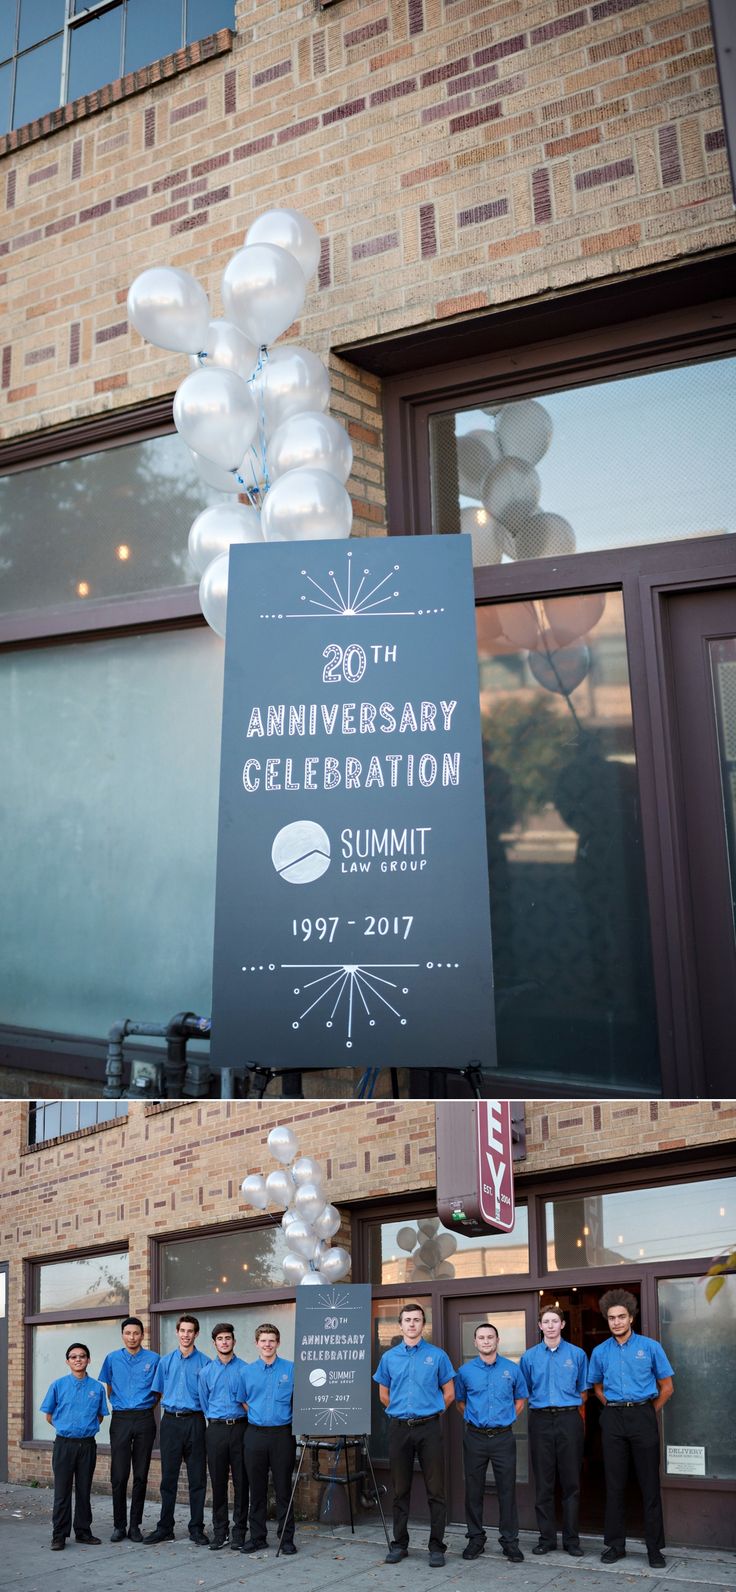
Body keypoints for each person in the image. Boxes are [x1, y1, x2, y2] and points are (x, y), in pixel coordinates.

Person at [588, 1288, 674, 1569]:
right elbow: (597, 1387)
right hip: (613, 1418)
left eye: (621, 1317)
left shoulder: (650, 1347)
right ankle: (615, 1545)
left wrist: (647, 1411)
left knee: (649, 1484)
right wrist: (612, 1407)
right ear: (607, 1319)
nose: (616, 1322)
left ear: (631, 1318)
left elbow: (667, 1387)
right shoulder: (600, 1352)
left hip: (643, 1416)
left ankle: (654, 1548)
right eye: (611, 1318)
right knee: (614, 1484)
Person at [373, 1302, 455, 1568]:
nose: (412, 1324)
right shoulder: (389, 1357)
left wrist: (430, 1414)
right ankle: (399, 1545)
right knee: (400, 1490)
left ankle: (436, 1547)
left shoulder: (438, 1356)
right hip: (399, 1429)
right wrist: (402, 1412)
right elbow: (383, 1394)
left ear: (423, 1324)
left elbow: (449, 1393)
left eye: (417, 1319)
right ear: (400, 1324)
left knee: (435, 1490)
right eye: (407, 1320)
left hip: (429, 1428)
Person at [454, 1322, 528, 1563]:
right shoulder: (464, 1372)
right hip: (474, 1437)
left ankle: (510, 1542)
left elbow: (520, 1400)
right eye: (481, 1338)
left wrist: (504, 1419)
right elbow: (460, 1403)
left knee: (507, 1489)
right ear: (475, 1342)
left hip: (503, 1438)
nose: (486, 1341)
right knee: (473, 1490)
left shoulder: (512, 1369)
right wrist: (476, 1420)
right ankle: (475, 1539)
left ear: (497, 1341)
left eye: (490, 1337)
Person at [519, 1306, 588, 1557]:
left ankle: (572, 1540)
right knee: (544, 1482)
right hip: (540, 1420)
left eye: (554, 1321)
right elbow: (523, 1390)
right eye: (545, 1321)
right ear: (539, 1326)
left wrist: (570, 1414)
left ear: (562, 1325)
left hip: (569, 1418)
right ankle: (546, 1539)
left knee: (571, 1482)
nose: (550, 1325)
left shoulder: (577, 1354)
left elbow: (583, 1390)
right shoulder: (528, 1357)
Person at [143, 1313, 210, 1545]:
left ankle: (196, 1528)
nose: (186, 1335)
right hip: (170, 1422)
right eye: (182, 1331)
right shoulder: (165, 1362)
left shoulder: (206, 1363)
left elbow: (209, 1396)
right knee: (168, 1479)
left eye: (190, 1331)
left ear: (196, 1334)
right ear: (177, 1332)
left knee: (197, 1479)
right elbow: (159, 1393)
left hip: (195, 1422)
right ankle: (165, 1528)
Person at [98, 1314, 160, 1543]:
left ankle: (135, 1525)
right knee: (119, 1475)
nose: (132, 1337)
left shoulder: (154, 1359)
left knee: (141, 1474)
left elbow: (158, 1392)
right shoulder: (112, 1358)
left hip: (144, 1418)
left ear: (142, 1335)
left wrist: (144, 1408)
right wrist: (123, 1406)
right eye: (127, 1333)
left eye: (136, 1333)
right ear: (122, 1335)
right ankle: (119, 1525)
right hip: (121, 1419)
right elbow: (109, 1387)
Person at [40, 1342, 108, 1551]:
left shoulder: (97, 1388)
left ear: (88, 1360)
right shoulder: (58, 1385)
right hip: (64, 1445)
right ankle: (59, 1535)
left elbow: (100, 1416)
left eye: (82, 1356)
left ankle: (83, 1532)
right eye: (73, 1357)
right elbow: (49, 1416)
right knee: (62, 1492)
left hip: (87, 1445)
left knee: (84, 1490)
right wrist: (67, 1427)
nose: (78, 1359)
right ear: (68, 1361)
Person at [240, 1322, 296, 1556]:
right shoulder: (246, 1371)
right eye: (263, 1340)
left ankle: (286, 1539)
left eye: (271, 1340)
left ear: (278, 1343)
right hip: (255, 1434)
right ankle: (257, 1537)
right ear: (257, 1343)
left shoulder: (292, 1369)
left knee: (284, 1489)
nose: (267, 1344)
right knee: (257, 1489)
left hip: (283, 1434)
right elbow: (243, 1402)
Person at [199, 1322, 249, 1551]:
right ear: (214, 1343)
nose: (224, 1342)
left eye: (228, 1338)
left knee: (241, 1481)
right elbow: (203, 1402)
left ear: (234, 1341)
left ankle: (239, 1533)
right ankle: (220, 1532)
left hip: (240, 1428)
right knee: (218, 1482)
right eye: (220, 1339)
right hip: (216, 1429)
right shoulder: (206, 1371)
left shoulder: (246, 1369)